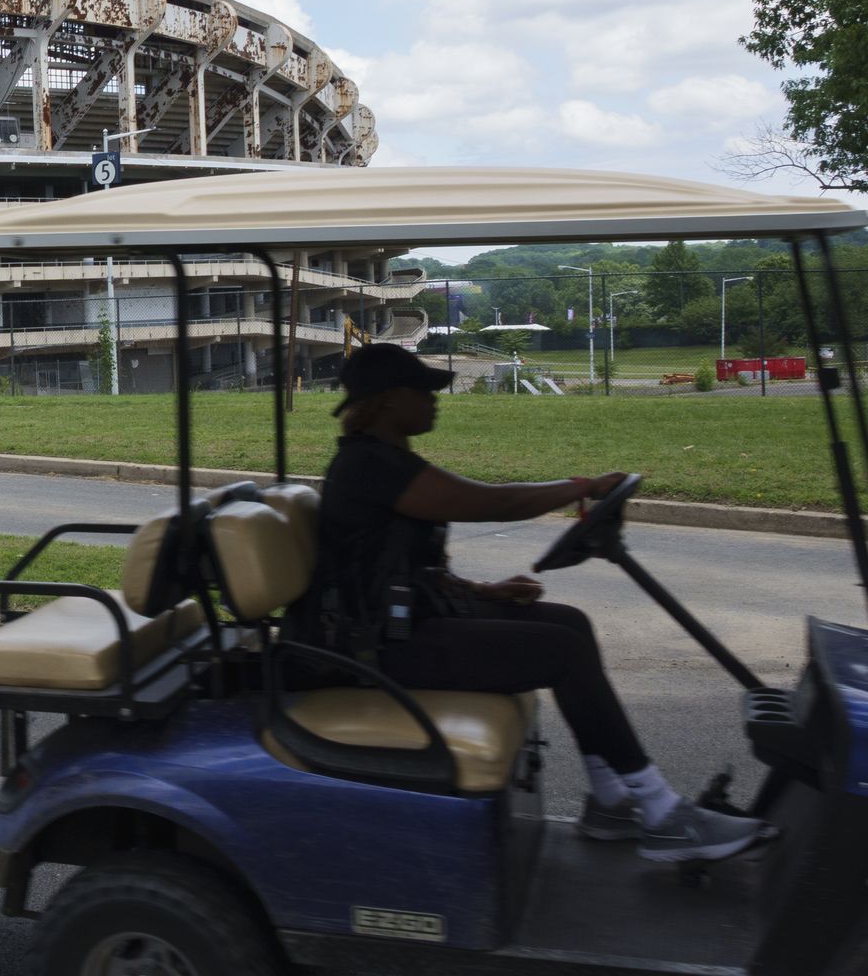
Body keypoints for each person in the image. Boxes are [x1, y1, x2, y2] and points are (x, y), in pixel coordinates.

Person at [308, 342, 768, 863]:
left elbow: (395, 566)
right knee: (559, 651)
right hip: (377, 650)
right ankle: (660, 810)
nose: (438, 400)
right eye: (425, 391)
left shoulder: (385, 459)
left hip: (399, 625)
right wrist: (583, 488)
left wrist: (481, 592)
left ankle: (611, 799)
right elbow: (491, 501)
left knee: (569, 623)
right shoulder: (370, 466)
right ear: (389, 400)